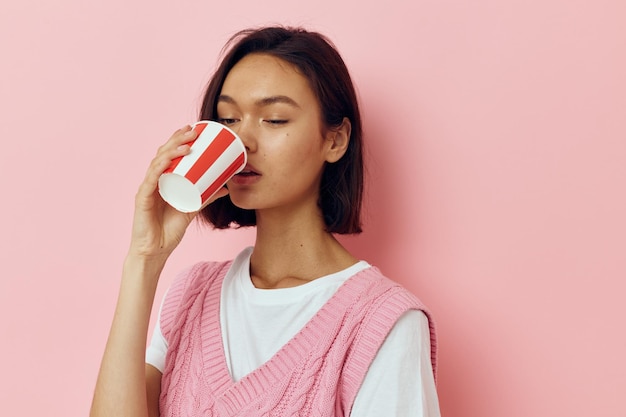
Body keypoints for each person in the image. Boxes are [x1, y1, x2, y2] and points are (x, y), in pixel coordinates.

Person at [90, 26, 440, 417]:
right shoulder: (191, 292)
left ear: (335, 140)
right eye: (228, 119)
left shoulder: (383, 322)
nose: (242, 142)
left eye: (273, 120)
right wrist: (144, 260)